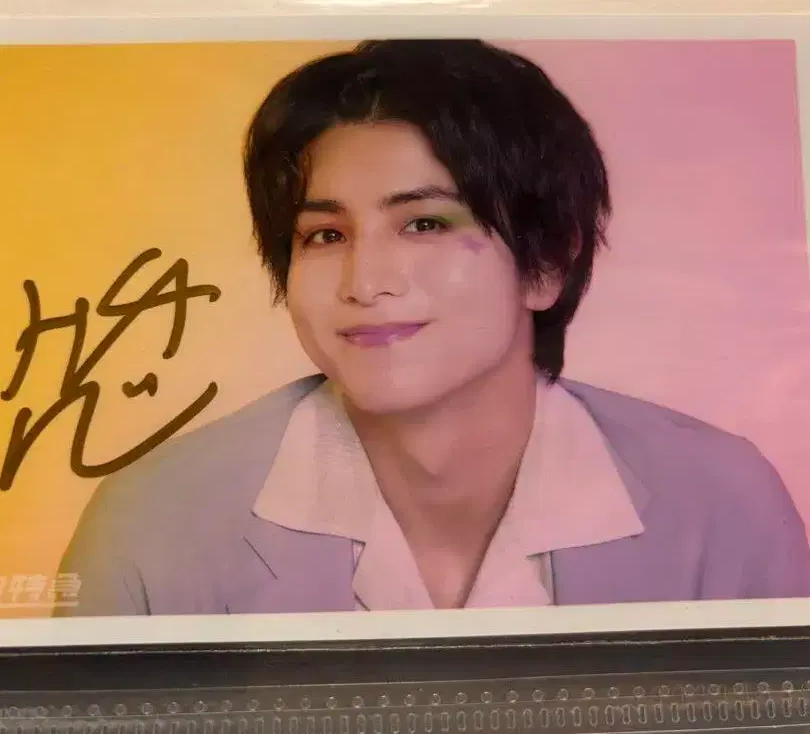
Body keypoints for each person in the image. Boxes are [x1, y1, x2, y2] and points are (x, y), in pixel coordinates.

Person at [56, 39, 810, 616]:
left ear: (546, 262)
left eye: (424, 223)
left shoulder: (723, 503)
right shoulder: (154, 521)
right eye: (325, 235)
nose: (364, 282)